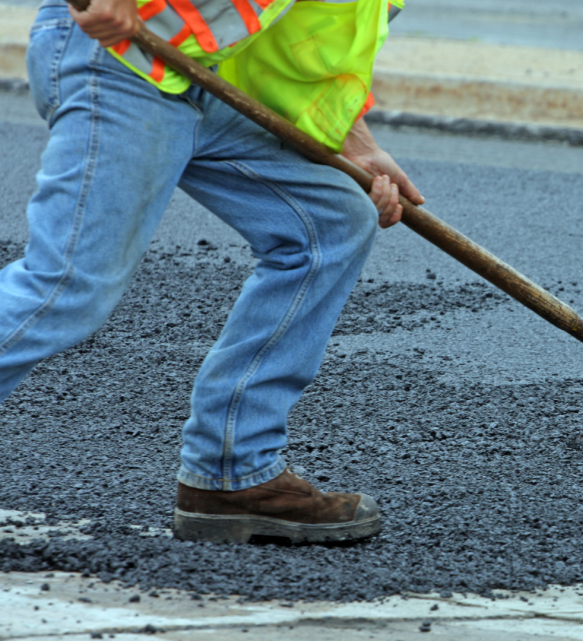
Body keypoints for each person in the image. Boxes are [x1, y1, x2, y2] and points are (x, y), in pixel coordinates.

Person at [0, 0, 424, 543]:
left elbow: (308, 44)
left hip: (206, 79)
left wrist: (355, 142)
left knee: (331, 224)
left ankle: (232, 475)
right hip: (123, 59)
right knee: (67, 286)